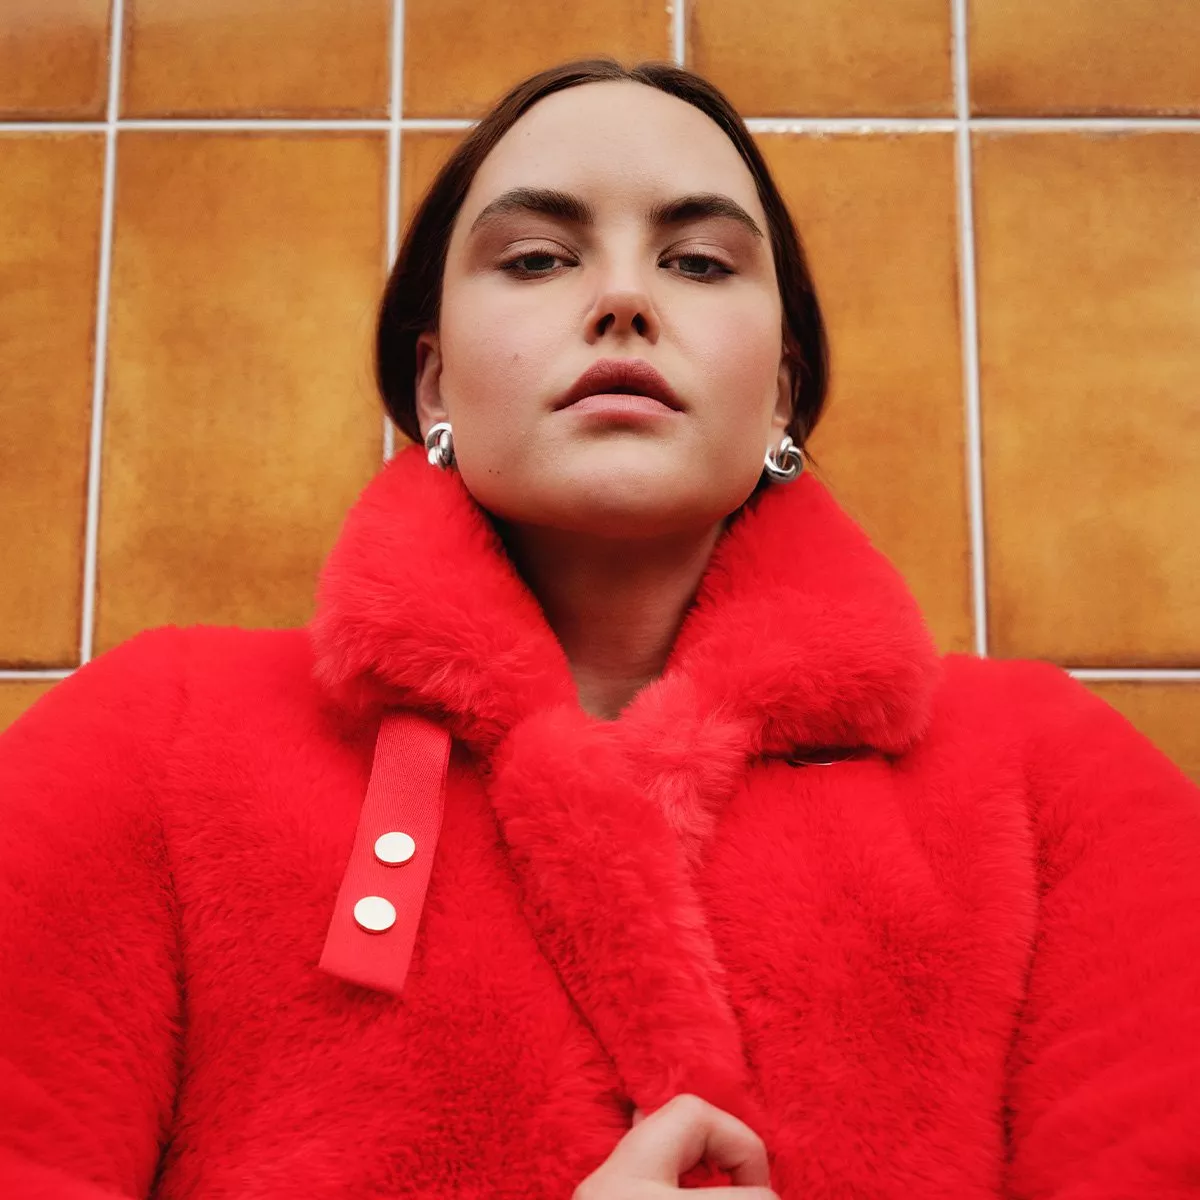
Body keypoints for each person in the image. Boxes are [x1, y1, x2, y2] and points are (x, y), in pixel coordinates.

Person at [1, 57, 1197, 1200]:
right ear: (431, 385)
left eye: (698, 261)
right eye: (534, 257)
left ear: (781, 391)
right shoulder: (157, 736)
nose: (622, 299)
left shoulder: (1050, 777)